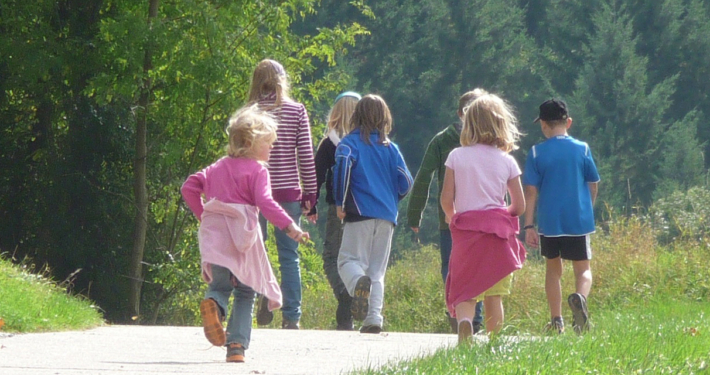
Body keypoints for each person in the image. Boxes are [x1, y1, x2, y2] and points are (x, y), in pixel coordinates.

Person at [181, 106, 309, 362]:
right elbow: (266, 202)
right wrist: (289, 226)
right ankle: (236, 346)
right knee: (246, 292)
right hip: (243, 239)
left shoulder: (216, 167)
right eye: (269, 144)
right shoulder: (257, 170)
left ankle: (215, 307)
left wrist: (205, 216)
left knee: (219, 285)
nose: (272, 149)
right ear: (252, 143)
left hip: (215, 237)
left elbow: (188, 188)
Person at [440, 93, 526, 343]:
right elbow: (518, 206)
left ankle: (465, 324)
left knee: (465, 290)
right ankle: (494, 341)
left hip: (467, 233)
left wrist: (453, 217)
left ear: (468, 124)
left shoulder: (456, 156)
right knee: (493, 295)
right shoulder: (507, 161)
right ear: (501, 124)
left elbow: (446, 199)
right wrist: (501, 215)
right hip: (496, 235)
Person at [406, 89, 488, 334]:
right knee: (479, 267)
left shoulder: (443, 139)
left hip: (450, 218)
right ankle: (475, 319)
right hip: (481, 220)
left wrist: (414, 214)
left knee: (450, 267)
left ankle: (458, 312)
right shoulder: (490, 141)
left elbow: (423, 177)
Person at [246, 59, 318, 330]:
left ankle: (262, 298)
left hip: (253, 192)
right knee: (289, 254)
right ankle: (292, 316)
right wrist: (310, 196)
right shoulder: (296, 110)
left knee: (256, 250)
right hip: (287, 191)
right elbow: (306, 157)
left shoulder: (249, 113)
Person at [333, 94, 413, 334]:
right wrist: (391, 198)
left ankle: (358, 283)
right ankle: (373, 318)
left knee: (348, 261)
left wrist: (340, 201)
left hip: (359, 212)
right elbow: (406, 182)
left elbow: (343, 168)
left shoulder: (349, 144)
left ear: (357, 116)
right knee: (377, 270)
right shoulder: (392, 148)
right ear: (385, 118)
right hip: (387, 215)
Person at [522, 99, 599, 334]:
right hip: (579, 219)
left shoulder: (536, 153)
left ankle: (557, 321)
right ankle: (580, 299)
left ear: (543, 125)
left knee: (553, 271)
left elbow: (531, 191)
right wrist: (588, 208)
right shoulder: (582, 148)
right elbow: (593, 183)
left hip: (550, 222)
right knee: (583, 269)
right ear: (569, 122)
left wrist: (528, 226)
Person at [307, 91, 362, 330]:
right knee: (356, 259)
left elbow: (315, 177)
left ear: (336, 112)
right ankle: (355, 296)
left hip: (337, 208)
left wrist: (311, 205)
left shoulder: (330, 143)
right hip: (365, 209)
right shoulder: (368, 142)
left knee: (332, 257)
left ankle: (345, 296)